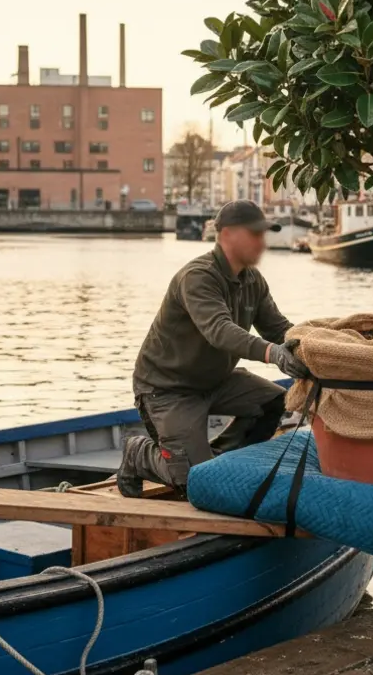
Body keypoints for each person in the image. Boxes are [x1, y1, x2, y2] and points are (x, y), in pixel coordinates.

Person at [117, 200, 310, 498]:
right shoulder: (198, 277)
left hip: (217, 382)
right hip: (168, 389)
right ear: (228, 235)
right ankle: (138, 453)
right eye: (255, 234)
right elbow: (219, 331)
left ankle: (220, 460)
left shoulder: (252, 279)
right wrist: (273, 353)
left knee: (276, 402)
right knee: (192, 482)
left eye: (263, 235)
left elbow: (278, 328)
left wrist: (314, 348)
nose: (262, 243)